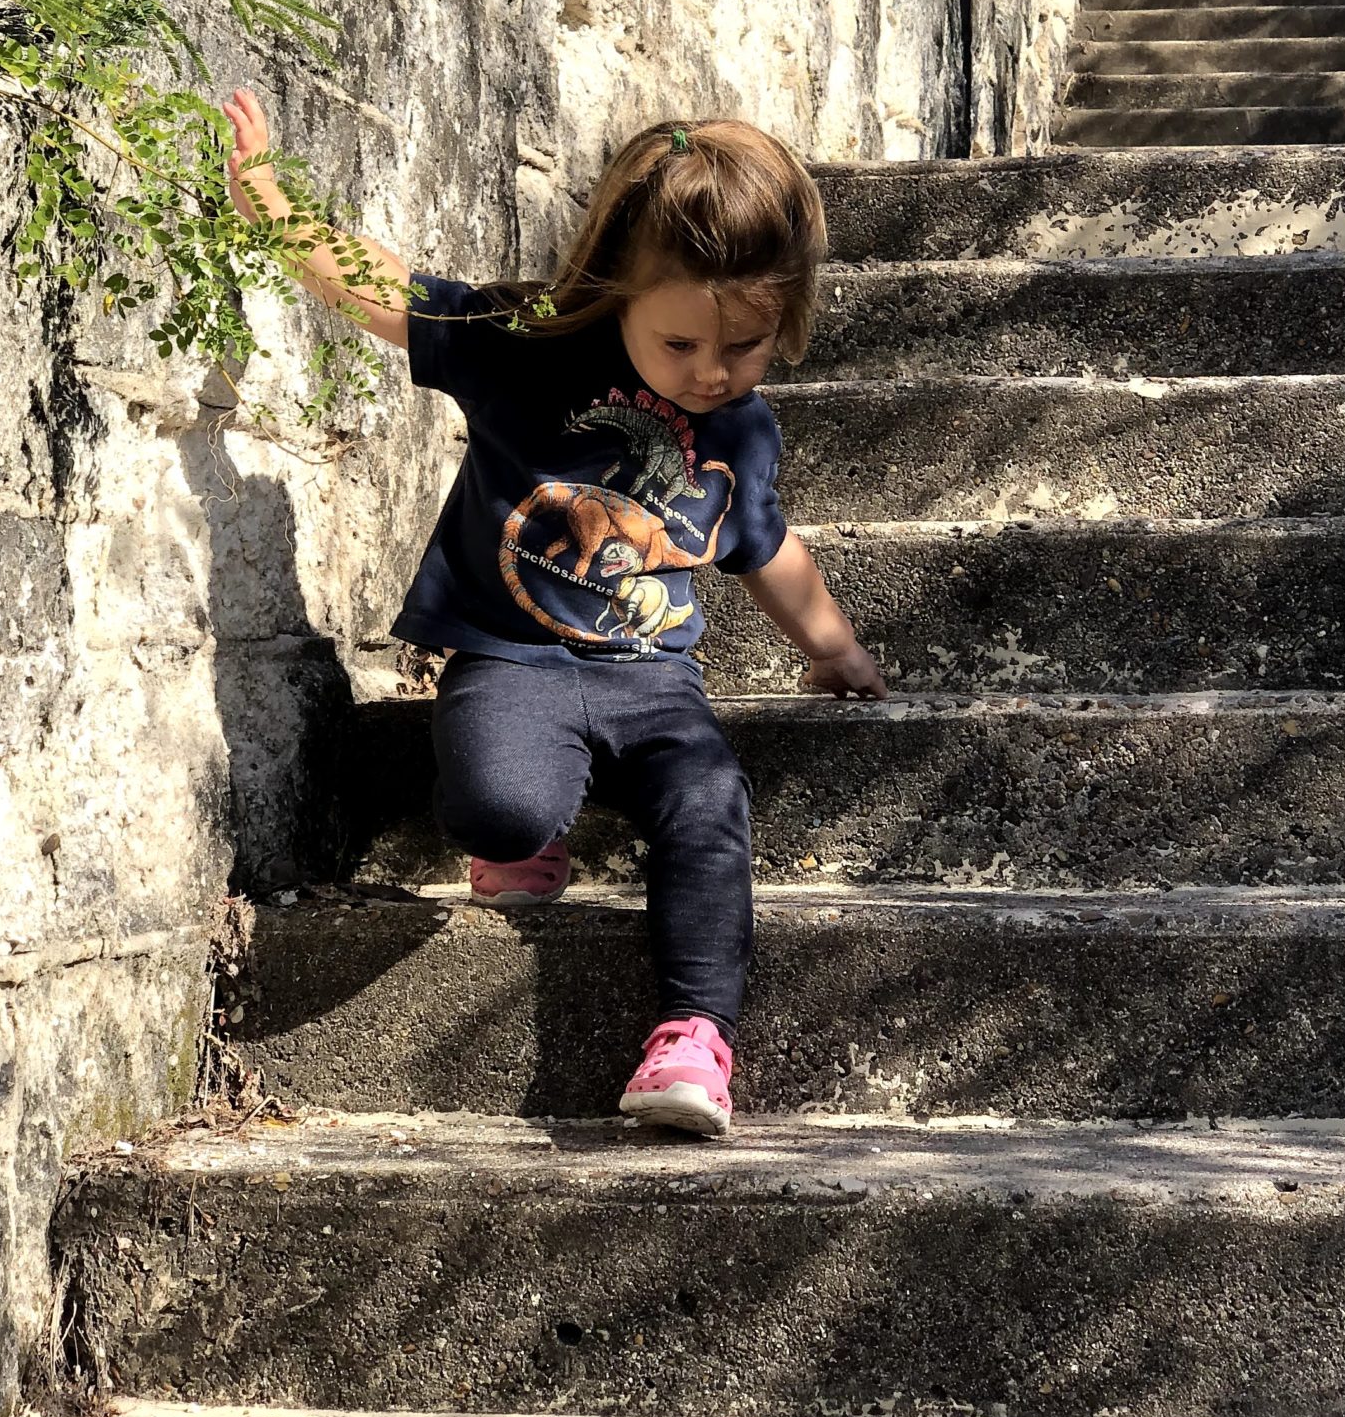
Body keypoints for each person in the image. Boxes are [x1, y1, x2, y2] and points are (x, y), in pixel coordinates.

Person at [221, 89, 887, 1139]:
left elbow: (766, 547)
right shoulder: (525, 343)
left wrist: (835, 646)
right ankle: (529, 831)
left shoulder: (742, 430)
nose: (713, 373)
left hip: (656, 681)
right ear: (623, 287)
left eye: (746, 348)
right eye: (682, 347)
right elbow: (391, 292)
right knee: (500, 809)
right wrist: (271, 205)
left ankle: (694, 1034)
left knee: (709, 803)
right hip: (511, 658)